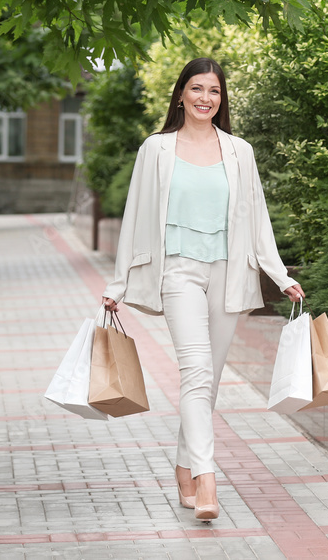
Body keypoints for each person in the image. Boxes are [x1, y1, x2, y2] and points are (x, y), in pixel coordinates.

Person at [101, 57, 304, 521]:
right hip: (178, 273)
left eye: (214, 91)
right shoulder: (156, 149)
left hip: (228, 274)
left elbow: (257, 220)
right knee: (194, 371)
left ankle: (182, 467)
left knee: (206, 381)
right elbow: (134, 217)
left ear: (221, 99)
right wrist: (118, 282)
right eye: (196, 89)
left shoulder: (239, 151)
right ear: (180, 95)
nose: (204, 99)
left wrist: (280, 274)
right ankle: (208, 481)